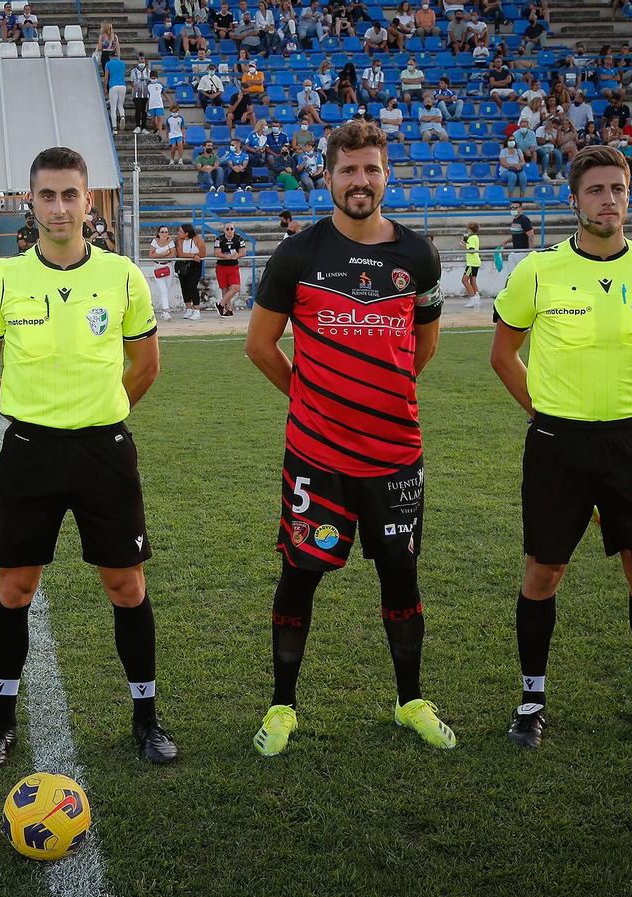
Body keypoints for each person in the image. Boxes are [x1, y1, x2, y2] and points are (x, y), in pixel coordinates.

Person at [244, 120, 449, 757]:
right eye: (348, 170)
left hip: (394, 457)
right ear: (327, 176)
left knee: (400, 573)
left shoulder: (419, 256)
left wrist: (379, 395)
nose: (361, 181)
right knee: (301, 574)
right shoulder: (298, 255)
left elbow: (424, 344)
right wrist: (315, 400)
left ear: (387, 175)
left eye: (371, 169)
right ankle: (282, 707)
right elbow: (260, 346)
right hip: (318, 458)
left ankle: (410, 699)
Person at [0, 146, 171, 769]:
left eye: (70, 195)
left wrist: (99, 411)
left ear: (89, 200)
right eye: (47, 195)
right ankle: (1, 723)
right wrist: (34, 414)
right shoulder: (1, 279)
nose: (59, 207)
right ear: (32, 201)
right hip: (30, 451)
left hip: (105, 450)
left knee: (126, 585)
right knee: (14, 587)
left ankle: (147, 717)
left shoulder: (123, 276)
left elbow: (146, 366)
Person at [489, 144, 632, 750]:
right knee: (543, 571)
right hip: (558, 444)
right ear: (574, 199)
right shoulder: (538, 271)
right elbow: (504, 357)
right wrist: (551, 413)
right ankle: (531, 699)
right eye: (596, 191)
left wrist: (620, 405)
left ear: (629, 195)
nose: (609, 201)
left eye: (619, 189)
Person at [213, 221, 247, 316]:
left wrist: (237, 255)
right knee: (224, 289)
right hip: (222, 266)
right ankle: (228, 309)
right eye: (227, 229)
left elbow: (243, 252)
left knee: (235, 287)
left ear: (234, 230)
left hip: (233, 266)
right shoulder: (219, 239)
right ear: (224, 230)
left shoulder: (238, 238)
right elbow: (217, 252)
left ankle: (221, 304)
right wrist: (227, 256)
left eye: (231, 229)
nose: (229, 231)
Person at [145, 224, 177, 321]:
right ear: (158, 233)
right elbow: (151, 254)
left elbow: (172, 254)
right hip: (158, 266)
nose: (164, 234)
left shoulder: (170, 241)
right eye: (162, 232)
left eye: (166, 232)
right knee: (163, 290)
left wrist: (159, 255)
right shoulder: (155, 241)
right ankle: (166, 311)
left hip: (168, 266)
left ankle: (164, 311)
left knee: (166, 289)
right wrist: (163, 254)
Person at [175, 221, 206, 319]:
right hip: (183, 264)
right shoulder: (179, 240)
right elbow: (180, 254)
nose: (178, 233)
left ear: (186, 233)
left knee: (192, 285)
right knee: (184, 286)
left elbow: (203, 252)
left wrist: (195, 257)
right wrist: (193, 256)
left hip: (195, 265)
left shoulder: (197, 239)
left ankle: (196, 309)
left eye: (180, 231)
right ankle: (188, 308)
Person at [104, 52, 127, 132]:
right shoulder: (123, 63)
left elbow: (106, 77)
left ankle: (114, 127)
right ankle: (122, 116)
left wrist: (105, 88)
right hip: (123, 85)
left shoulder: (108, 64)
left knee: (113, 107)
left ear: (110, 56)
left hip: (113, 85)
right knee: (120, 105)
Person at [462, 222, 482, 308]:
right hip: (475, 262)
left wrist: (464, 248)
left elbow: (471, 250)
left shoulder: (472, 239)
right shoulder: (475, 237)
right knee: (472, 281)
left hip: (472, 263)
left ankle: (473, 297)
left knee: (464, 280)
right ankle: (476, 297)